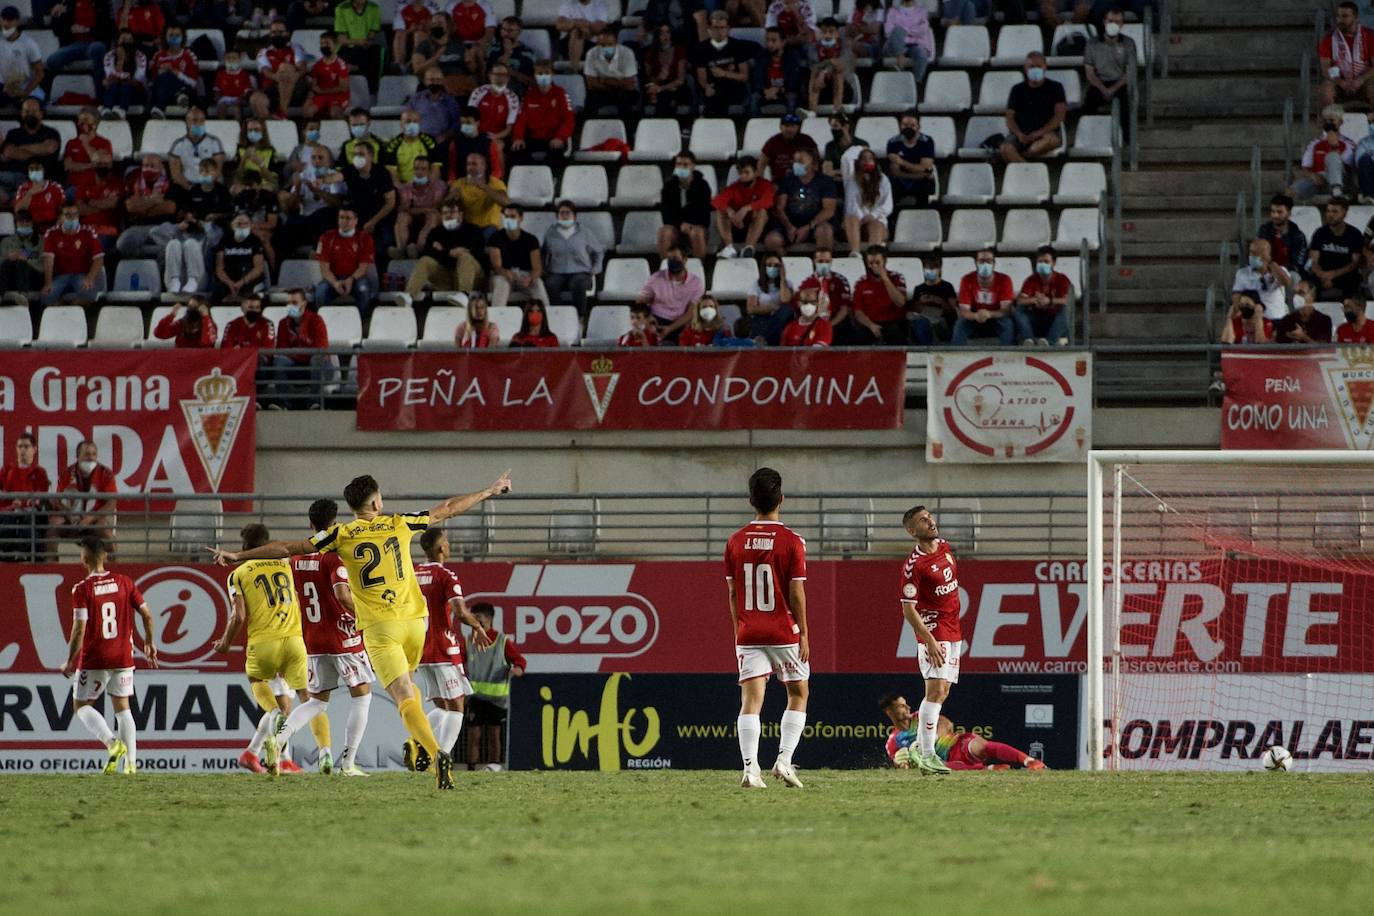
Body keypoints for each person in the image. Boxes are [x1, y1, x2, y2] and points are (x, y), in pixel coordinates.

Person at [211, 469, 515, 790]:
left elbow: (287, 548)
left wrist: (239, 556)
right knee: (411, 689)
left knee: (403, 696)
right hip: (414, 624)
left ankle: (435, 751)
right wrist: (489, 491)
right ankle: (415, 747)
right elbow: (448, 507)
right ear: (377, 501)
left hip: (379, 628)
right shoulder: (400, 522)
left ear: (353, 506)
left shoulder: (339, 535)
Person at [262, 500, 376, 776]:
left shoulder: (297, 560)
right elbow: (342, 595)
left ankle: (277, 741)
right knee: (362, 697)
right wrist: (367, 616)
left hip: (313, 638)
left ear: (311, 525)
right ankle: (348, 764)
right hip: (342, 637)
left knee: (316, 701)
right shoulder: (334, 558)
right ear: (335, 525)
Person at [724, 467, 810, 789]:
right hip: (782, 630)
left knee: (751, 700)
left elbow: (733, 592)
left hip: (748, 632)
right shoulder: (792, 541)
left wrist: (738, 628)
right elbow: (796, 592)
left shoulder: (734, 542)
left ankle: (750, 769)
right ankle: (784, 761)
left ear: (750, 501)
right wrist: (805, 634)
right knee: (798, 693)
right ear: (782, 499)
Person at [209, 524, 312, 776]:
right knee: (291, 706)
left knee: (277, 706)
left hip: (263, 643)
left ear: (244, 547)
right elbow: (285, 548)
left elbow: (239, 615)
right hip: (291, 640)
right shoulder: (285, 563)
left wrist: (224, 643)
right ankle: (273, 756)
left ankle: (259, 754)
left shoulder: (238, 573)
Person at [60, 536, 158, 775]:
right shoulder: (125, 582)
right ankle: (131, 765)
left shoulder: (82, 589)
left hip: (96, 657)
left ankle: (112, 744)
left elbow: (80, 627)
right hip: (124, 656)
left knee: (81, 705)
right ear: (105, 555)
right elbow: (147, 615)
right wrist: (150, 643)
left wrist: (70, 659)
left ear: (84, 557)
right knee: (123, 710)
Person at [401, 528, 494, 769]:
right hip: (443, 647)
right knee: (457, 706)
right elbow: (461, 612)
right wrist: (479, 627)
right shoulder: (447, 576)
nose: (449, 545)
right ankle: (439, 758)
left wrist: (473, 622)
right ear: (441, 548)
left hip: (421, 649)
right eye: (447, 541)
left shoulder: (414, 573)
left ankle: (415, 741)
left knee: (442, 707)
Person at [896, 504, 960, 775]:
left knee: (943, 691)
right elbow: (908, 609)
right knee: (934, 691)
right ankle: (926, 752)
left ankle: (922, 751)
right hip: (935, 631)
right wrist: (929, 641)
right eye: (923, 520)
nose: (930, 522)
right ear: (912, 531)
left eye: (930, 517)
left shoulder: (944, 546)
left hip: (953, 627)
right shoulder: (913, 567)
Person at [880, 696, 1046, 771]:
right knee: (937, 767)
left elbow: (946, 723)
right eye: (901, 706)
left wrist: (933, 738)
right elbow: (901, 765)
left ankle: (1029, 761)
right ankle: (987, 769)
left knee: (981, 747)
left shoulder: (921, 716)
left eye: (906, 704)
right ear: (890, 711)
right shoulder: (893, 741)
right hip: (945, 763)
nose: (907, 708)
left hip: (957, 745)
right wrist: (901, 763)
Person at [463, 600, 526, 769]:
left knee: (494, 735)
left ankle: (494, 768)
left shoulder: (502, 641)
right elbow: (459, 663)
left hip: (497, 699)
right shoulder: (469, 640)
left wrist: (517, 670)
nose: (475, 621)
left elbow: (519, 661)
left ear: (489, 618)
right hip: (475, 697)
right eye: (472, 618)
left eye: (478, 618)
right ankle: (470, 770)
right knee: (473, 735)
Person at [408, 199, 488, 297]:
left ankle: (464, 296)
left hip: (472, 278)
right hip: (446, 277)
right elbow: (427, 253)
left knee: (464, 257)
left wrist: (442, 251)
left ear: (461, 215)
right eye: (445, 212)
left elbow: (475, 252)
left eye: (453, 212)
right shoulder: (435, 232)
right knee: (425, 261)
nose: (449, 215)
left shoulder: (473, 230)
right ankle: (408, 297)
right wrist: (449, 252)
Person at [765, 148, 839, 253]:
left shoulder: (826, 182)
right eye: (794, 161)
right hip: (790, 225)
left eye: (800, 162)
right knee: (771, 241)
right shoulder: (787, 180)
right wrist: (789, 227)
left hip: (816, 224)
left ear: (813, 164)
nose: (796, 164)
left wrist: (809, 226)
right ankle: (784, 266)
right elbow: (780, 208)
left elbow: (829, 210)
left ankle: (821, 264)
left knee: (825, 232)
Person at [1081, 7, 1137, 142]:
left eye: (1118, 22)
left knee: (1125, 102)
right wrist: (1103, 89)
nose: (1114, 24)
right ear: (1104, 22)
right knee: (1090, 100)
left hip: (1119, 84)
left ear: (1122, 24)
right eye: (1111, 21)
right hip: (1099, 83)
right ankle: (1089, 138)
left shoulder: (1128, 43)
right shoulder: (1092, 43)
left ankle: (1128, 141)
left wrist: (1112, 89)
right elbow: (1089, 72)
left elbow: (1129, 72)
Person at [999, 52, 1067, 164]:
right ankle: (1027, 168)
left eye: (1039, 66)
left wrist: (1038, 133)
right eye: (1031, 67)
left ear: (1045, 67)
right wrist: (1019, 134)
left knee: (1052, 141)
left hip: (1046, 133)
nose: (1035, 69)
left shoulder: (1056, 88)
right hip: (1021, 134)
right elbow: (1009, 117)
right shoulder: (1017, 90)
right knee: (1005, 148)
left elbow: (1059, 116)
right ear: (1025, 68)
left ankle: (1019, 159)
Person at [542, 199, 603, 318]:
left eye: (568, 212)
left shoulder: (584, 232)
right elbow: (543, 252)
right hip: (556, 271)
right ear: (557, 216)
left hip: (580, 271)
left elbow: (598, 251)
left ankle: (579, 318)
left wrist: (596, 268)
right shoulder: (550, 232)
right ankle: (560, 317)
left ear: (574, 216)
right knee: (549, 285)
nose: (564, 215)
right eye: (561, 213)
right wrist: (544, 268)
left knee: (578, 284)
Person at [272, 289, 331, 409]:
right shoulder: (283, 323)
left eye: (294, 302)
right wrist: (302, 353)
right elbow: (282, 350)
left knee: (316, 359)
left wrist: (296, 352)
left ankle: (315, 402)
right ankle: (284, 403)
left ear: (304, 304)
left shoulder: (316, 320)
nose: (290, 306)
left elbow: (320, 349)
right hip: (295, 367)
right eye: (288, 303)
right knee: (279, 361)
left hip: (319, 367)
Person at [315, 206, 378, 315]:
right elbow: (324, 269)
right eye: (341, 218)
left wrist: (351, 279)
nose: (344, 221)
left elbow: (363, 268)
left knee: (364, 289)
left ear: (356, 221)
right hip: (333, 278)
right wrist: (335, 283)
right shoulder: (327, 237)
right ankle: (327, 322)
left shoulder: (365, 238)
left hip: (356, 278)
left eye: (348, 218)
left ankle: (359, 321)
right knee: (321, 292)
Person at [52, 440, 117, 545]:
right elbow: (57, 501)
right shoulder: (66, 474)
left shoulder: (106, 474)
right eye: (87, 454)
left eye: (94, 454)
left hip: (96, 518)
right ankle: (51, 561)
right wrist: (69, 516)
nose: (91, 457)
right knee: (51, 529)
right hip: (72, 519)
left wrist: (90, 518)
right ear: (78, 456)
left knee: (107, 535)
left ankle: (114, 561)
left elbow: (112, 503)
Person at [511, 61, 575, 165]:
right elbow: (521, 119)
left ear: (552, 74)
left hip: (555, 137)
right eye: (540, 74)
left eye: (546, 73)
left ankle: (553, 180)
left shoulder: (560, 93)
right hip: (534, 137)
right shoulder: (528, 95)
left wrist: (560, 137)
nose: (543, 76)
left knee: (556, 154)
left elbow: (569, 119)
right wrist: (518, 138)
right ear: (534, 75)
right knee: (517, 151)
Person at [487, 205, 550, 311]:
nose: (508, 219)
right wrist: (508, 273)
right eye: (506, 216)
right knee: (502, 285)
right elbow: (497, 266)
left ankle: (547, 317)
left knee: (538, 284)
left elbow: (537, 268)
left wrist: (530, 278)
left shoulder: (531, 240)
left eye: (512, 216)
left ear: (521, 218)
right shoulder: (495, 238)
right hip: (503, 275)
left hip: (525, 275)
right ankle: (496, 320)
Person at [0, 432, 50, 562]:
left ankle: (34, 562)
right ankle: (9, 560)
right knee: (6, 525)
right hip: (9, 513)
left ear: (34, 449)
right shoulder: (6, 470)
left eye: (26, 447)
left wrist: (22, 503)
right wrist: (11, 504)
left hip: (31, 514)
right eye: (20, 446)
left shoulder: (40, 473)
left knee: (31, 527)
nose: (22, 450)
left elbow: (41, 495)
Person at [637, 244, 705, 340]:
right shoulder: (656, 278)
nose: (672, 262)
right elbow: (640, 303)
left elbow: (691, 312)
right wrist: (649, 319)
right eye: (669, 259)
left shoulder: (696, 283)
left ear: (685, 260)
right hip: (657, 319)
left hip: (681, 322)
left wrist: (670, 328)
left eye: (675, 258)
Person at [42, 204, 105, 305]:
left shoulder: (88, 232)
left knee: (88, 294)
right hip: (61, 276)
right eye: (68, 215)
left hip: (82, 275)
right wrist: (48, 283)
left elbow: (99, 258)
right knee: (46, 297)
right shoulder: (52, 233)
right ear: (60, 217)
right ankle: (61, 313)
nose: (72, 218)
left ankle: (74, 312)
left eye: (75, 215)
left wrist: (90, 278)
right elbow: (48, 259)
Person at [714, 155, 775, 259]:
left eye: (746, 172)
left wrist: (747, 208)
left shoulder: (765, 185)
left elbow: (768, 201)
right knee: (720, 211)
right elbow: (717, 201)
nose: (742, 176)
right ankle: (729, 248)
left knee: (761, 212)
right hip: (738, 226)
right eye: (741, 172)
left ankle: (748, 248)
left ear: (755, 172)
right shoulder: (734, 187)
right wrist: (730, 211)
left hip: (758, 228)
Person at [693, 10, 752, 116]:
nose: (719, 31)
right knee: (713, 91)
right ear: (709, 29)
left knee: (722, 89)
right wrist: (706, 87)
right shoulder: (702, 48)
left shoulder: (738, 47)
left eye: (722, 28)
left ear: (728, 29)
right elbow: (701, 76)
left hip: (733, 88)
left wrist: (725, 74)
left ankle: (707, 117)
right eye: (715, 28)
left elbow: (744, 76)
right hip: (711, 88)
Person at [952, 248, 1015, 345]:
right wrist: (975, 316)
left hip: (996, 318)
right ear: (976, 263)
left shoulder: (1004, 280)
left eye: (989, 261)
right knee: (960, 324)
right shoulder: (967, 279)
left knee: (1008, 324)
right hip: (974, 318)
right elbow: (964, 311)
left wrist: (989, 314)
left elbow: (1005, 311)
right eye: (981, 261)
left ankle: (1008, 355)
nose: (985, 264)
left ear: (994, 263)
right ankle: (955, 355)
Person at [0, 99, 61, 199]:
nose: (30, 114)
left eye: (33, 111)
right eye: (27, 111)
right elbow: (8, 152)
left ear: (41, 114)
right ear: (21, 113)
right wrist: (38, 150)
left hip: (35, 179)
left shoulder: (51, 133)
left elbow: (49, 148)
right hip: (10, 176)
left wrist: (21, 147)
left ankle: (16, 199)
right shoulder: (13, 133)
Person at [848, 244, 909, 344]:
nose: (874, 266)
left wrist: (885, 279)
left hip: (893, 322)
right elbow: (858, 312)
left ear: (884, 261)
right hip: (870, 323)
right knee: (855, 338)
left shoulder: (897, 278)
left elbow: (901, 302)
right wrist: (870, 325)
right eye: (871, 263)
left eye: (877, 262)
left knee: (895, 334)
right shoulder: (861, 282)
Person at [1320, 0, 1374, 110]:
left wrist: (1361, 80)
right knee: (1325, 91)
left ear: (1356, 17)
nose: (1340, 20)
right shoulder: (1328, 39)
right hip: (1339, 81)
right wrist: (1341, 82)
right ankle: (1330, 124)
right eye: (1338, 16)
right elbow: (1325, 69)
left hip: (1363, 80)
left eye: (1345, 16)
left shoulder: (1369, 36)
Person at [1308, 197, 1365, 301]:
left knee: (1353, 281)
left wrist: (1333, 275)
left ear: (1344, 213)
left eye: (1335, 211)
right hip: (1322, 274)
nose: (1330, 215)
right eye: (1328, 211)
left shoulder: (1354, 234)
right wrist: (1323, 275)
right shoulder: (1320, 233)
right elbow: (1313, 260)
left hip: (1345, 275)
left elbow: (1355, 263)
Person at [1014, 245, 1072, 345]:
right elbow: (1020, 300)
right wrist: (1034, 300)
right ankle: (1029, 341)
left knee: (1066, 310)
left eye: (1046, 262)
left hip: (1055, 321)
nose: (1042, 264)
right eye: (1040, 262)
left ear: (1053, 263)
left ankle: (1049, 342)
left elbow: (1068, 300)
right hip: (1037, 319)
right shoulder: (1031, 280)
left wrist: (1049, 300)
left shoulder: (1061, 279)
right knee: (1019, 309)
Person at [659, 151, 712, 259]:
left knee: (696, 233)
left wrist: (690, 225)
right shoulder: (669, 186)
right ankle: (666, 269)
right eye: (678, 164)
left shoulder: (703, 186)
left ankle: (698, 268)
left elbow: (705, 214)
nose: (681, 168)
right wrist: (680, 225)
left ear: (693, 166)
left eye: (685, 165)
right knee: (665, 232)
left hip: (697, 226)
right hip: (676, 227)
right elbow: (666, 213)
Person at [391, 155, 445, 259]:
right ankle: (401, 250)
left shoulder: (439, 187)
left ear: (429, 171)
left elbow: (436, 209)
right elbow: (404, 209)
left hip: (431, 216)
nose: (419, 172)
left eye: (423, 169)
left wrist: (417, 209)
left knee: (433, 216)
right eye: (416, 169)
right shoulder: (406, 187)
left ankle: (419, 249)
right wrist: (424, 209)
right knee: (402, 216)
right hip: (415, 216)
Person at [251, 18, 306, 120]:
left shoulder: (296, 48)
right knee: (256, 99)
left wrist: (291, 77)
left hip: (294, 88)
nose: (277, 35)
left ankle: (282, 112)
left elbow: (301, 68)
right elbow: (266, 72)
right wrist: (282, 78)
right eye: (274, 32)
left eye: (280, 32)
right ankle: (271, 127)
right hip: (272, 88)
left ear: (288, 33)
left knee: (285, 67)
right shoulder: (263, 52)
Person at [1291, 115, 1354, 200]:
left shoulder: (1348, 143)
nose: (1328, 123)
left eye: (1332, 120)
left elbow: (1349, 165)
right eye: (1326, 120)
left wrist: (1335, 147)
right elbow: (1305, 167)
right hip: (1319, 179)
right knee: (1292, 190)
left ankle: (1336, 191)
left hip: (1342, 179)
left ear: (1341, 122)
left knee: (1333, 156)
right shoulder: (1315, 143)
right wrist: (1312, 176)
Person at [843, 147, 892, 253]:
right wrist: (862, 217)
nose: (867, 161)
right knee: (850, 218)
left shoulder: (883, 179)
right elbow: (851, 205)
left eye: (870, 158)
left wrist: (872, 215)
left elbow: (887, 205)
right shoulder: (852, 180)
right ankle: (855, 253)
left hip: (877, 220)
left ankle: (873, 255)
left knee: (876, 224)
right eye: (863, 158)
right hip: (858, 223)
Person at [583, 25, 639, 115]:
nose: (606, 48)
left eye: (610, 44)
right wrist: (616, 83)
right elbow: (590, 83)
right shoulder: (591, 53)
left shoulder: (627, 53)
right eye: (603, 45)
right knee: (591, 98)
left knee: (624, 97)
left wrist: (604, 81)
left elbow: (630, 84)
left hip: (624, 92)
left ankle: (627, 128)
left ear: (616, 42)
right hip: (602, 91)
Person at [797, 247, 852, 337]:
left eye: (827, 261)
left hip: (836, 322)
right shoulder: (807, 283)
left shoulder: (840, 280)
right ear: (814, 261)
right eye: (820, 261)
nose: (824, 264)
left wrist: (829, 325)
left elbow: (845, 309)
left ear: (831, 262)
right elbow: (803, 308)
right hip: (814, 322)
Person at [147, 23, 200, 117]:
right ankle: (177, 96)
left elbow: (193, 83)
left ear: (183, 37)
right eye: (171, 35)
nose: (174, 38)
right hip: (161, 91)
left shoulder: (189, 56)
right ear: (165, 37)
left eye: (177, 35)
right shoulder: (158, 56)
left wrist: (176, 72)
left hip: (185, 91)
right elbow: (152, 81)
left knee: (167, 76)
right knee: (163, 78)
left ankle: (159, 108)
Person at [1231, 238, 1291, 321]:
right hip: (1252, 319)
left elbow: (1286, 282)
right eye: (1251, 252)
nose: (1252, 255)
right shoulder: (1242, 273)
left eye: (1256, 253)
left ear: (1267, 254)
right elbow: (1236, 294)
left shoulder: (1279, 270)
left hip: (1276, 317)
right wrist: (1239, 309)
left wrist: (1271, 264)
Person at [449, 150, 509, 230]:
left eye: (474, 164)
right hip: (468, 228)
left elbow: (506, 203)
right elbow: (444, 206)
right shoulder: (459, 183)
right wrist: (451, 197)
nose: (470, 167)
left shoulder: (496, 183)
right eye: (468, 164)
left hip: (489, 227)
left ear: (484, 166)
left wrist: (483, 187)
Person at [214, 213, 268, 302]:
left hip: (248, 279)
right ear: (232, 225)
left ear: (250, 225)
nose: (242, 226)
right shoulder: (225, 240)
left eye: (245, 224)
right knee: (218, 289)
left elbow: (258, 268)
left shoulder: (254, 241)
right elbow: (219, 268)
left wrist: (242, 282)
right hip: (228, 279)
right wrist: (230, 283)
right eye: (239, 224)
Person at [642, 22, 691, 117]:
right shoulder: (650, 53)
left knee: (666, 96)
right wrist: (659, 79)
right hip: (656, 87)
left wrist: (662, 88)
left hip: (676, 87)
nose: (665, 36)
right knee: (661, 97)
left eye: (668, 32)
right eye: (661, 33)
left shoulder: (680, 50)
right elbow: (648, 79)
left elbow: (680, 80)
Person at [335, 0, 384, 94]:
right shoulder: (341, 8)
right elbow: (342, 39)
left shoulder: (374, 8)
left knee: (375, 52)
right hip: (348, 46)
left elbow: (372, 35)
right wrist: (358, 42)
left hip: (366, 47)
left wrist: (367, 42)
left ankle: (371, 93)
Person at [0, 6, 44, 109]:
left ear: (17, 22)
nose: (6, 23)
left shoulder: (29, 44)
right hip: (4, 87)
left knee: (29, 106)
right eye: (4, 19)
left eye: (10, 20)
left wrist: (25, 92)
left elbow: (40, 73)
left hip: (24, 87)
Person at [62, 108, 115, 196]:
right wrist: (91, 165)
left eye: (86, 120)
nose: (82, 123)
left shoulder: (104, 142)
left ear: (95, 123)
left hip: (96, 188)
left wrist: (86, 144)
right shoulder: (71, 143)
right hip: (75, 188)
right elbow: (68, 165)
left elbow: (101, 161)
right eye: (80, 120)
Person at [408, 67, 464, 149]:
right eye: (431, 80)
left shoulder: (450, 101)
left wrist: (445, 136)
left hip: (443, 142)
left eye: (438, 80)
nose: (435, 83)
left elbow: (456, 123)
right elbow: (407, 118)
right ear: (425, 81)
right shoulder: (416, 99)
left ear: (443, 81)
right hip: (420, 142)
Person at [469, 61, 520, 146]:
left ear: (508, 78)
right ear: (490, 76)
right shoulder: (479, 92)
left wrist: (495, 136)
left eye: (504, 75)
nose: (500, 78)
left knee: (497, 146)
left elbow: (508, 129)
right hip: (477, 134)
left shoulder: (512, 97)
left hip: (499, 136)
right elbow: (470, 117)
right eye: (497, 74)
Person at [882, 0, 934, 84]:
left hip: (914, 44)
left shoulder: (921, 12)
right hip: (895, 44)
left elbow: (922, 29)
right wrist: (909, 31)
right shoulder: (892, 11)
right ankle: (900, 56)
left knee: (922, 55)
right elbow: (888, 31)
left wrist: (903, 30)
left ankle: (914, 83)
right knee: (896, 31)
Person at [747, 254, 795, 344]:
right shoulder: (756, 285)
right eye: (769, 265)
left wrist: (782, 278)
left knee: (786, 310)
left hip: (781, 318)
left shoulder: (788, 283)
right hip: (762, 317)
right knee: (761, 322)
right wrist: (772, 308)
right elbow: (751, 308)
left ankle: (763, 340)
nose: (773, 268)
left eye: (776, 265)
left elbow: (785, 300)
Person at [382, 109, 439, 186]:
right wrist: (402, 189)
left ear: (420, 124)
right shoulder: (393, 145)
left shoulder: (430, 141)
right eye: (408, 121)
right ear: (401, 124)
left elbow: (435, 168)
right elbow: (392, 174)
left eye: (415, 122)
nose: (412, 124)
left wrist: (428, 187)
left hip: (426, 183)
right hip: (403, 185)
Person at [761, 113, 819, 186]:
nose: (789, 129)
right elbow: (761, 166)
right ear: (780, 127)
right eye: (786, 126)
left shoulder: (807, 141)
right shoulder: (772, 142)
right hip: (779, 183)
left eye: (792, 126)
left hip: (804, 181)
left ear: (798, 128)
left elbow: (816, 163)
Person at [910, 255, 957, 344]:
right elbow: (914, 311)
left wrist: (940, 302)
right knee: (920, 322)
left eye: (934, 267)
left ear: (939, 269)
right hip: (925, 318)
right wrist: (921, 302)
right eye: (928, 267)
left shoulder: (947, 287)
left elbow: (953, 312)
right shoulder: (919, 288)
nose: (931, 270)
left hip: (942, 321)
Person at [807, 16, 850, 113]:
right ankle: (812, 112)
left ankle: (837, 110)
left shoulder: (845, 46)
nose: (827, 35)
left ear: (837, 33)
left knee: (837, 72)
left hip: (842, 90)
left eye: (831, 32)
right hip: (819, 87)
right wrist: (830, 62)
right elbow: (814, 65)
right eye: (824, 32)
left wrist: (824, 72)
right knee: (815, 72)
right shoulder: (813, 47)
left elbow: (840, 64)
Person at [1258, 194, 1309, 276]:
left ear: (1289, 213)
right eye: (1273, 211)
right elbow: (1261, 257)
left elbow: (1297, 264)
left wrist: (1279, 272)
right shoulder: (1265, 231)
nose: (1275, 215)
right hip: (1267, 271)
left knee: (1294, 276)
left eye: (1279, 212)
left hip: (1288, 274)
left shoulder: (1298, 236)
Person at [0, 212, 43, 303]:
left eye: (27, 222)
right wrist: (9, 258)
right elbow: (1, 262)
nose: (24, 225)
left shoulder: (40, 240)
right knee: (7, 262)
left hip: (33, 275)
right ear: (16, 224)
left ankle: (23, 295)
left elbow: (42, 263)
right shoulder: (6, 241)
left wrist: (27, 260)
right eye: (21, 222)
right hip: (11, 275)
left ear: (32, 224)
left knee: (21, 263)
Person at [13, 161, 64, 233]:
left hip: (52, 224)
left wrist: (59, 222)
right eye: (31, 169)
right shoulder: (23, 188)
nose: (34, 171)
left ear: (44, 170)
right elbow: (18, 210)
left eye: (37, 169)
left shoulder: (55, 186)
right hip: (31, 227)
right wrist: (30, 194)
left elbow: (63, 208)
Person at [558, 0, 609, 67]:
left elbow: (600, 27)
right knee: (577, 32)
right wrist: (577, 24)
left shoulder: (599, 4)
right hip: (567, 43)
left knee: (582, 31)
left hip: (591, 42)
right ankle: (574, 68)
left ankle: (574, 70)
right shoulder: (568, 4)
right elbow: (559, 25)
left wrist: (586, 25)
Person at [153, 295, 217, 347]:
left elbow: (207, 343)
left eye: (195, 307)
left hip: (201, 359)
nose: (191, 310)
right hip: (181, 358)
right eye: (190, 306)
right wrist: (171, 316)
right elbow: (159, 334)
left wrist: (206, 318)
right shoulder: (181, 323)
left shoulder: (210, 325)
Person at [823, 111, 867, 184]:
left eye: (835, 126)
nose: (833, 130)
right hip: (837, 182)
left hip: (857, 182)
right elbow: (827, 171)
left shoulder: (862, 144)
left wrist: (840, 172)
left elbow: (865, 168)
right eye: (831, 126)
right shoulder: (830, 146)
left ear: (846, 127)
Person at [213, 48, 258, 120]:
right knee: (221, 106)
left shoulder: (244, 74)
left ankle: (238, 126)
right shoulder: (220, 74)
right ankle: (222, 125)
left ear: (239, 60)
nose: (231, 60)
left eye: (234, 58)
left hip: (239, 99)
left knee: (237, 107)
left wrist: (241, 99)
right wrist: (217, 98)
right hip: (225, 98)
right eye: (228, 58)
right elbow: (217, 89)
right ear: (224, 60)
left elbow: (247, 91)